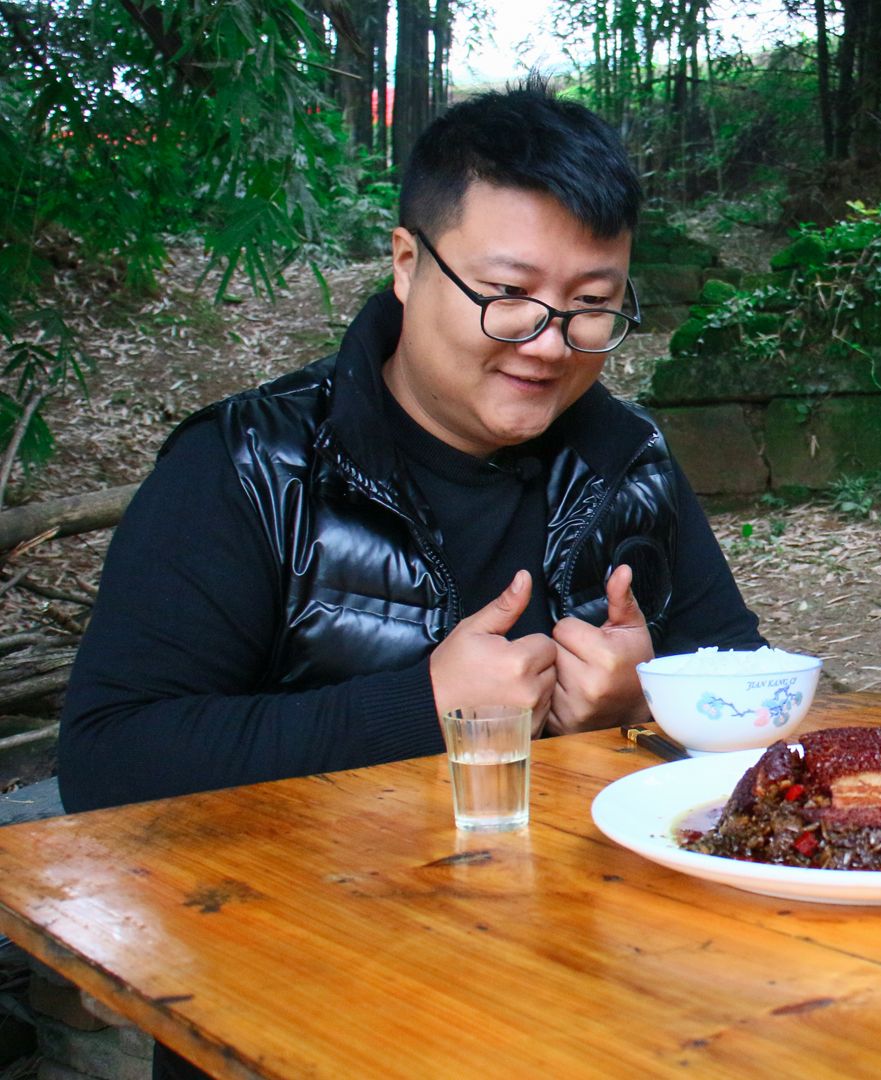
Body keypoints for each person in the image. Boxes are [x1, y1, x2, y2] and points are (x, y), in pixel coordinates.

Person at [59, 83, 765, 814]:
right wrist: (421, 708)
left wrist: (648, 701)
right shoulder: (251, 468)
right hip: (304, 915)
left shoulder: (628, 460)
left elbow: (750, 686)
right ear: (406, 264)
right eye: (508, 292)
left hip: (592, 908)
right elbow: (109, 759)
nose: (550, 345)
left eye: (591, 304)